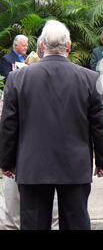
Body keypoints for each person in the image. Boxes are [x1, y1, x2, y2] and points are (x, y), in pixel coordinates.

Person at [0, 20, 103, 230]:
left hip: (33, 166)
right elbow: (99, 124)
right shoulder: (90, 78)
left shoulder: (17, 78)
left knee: (33, 224)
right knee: (76, 222)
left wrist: (6, 162)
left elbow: (9, 124)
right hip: (75, 165)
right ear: (68, 47)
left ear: (41, 46)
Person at [0, 35, 59, 230]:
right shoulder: (64, 82)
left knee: (15, 216)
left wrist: (6, 163)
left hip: (24, 158)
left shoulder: (15, 82)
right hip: (48, 160)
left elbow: (7, 125)